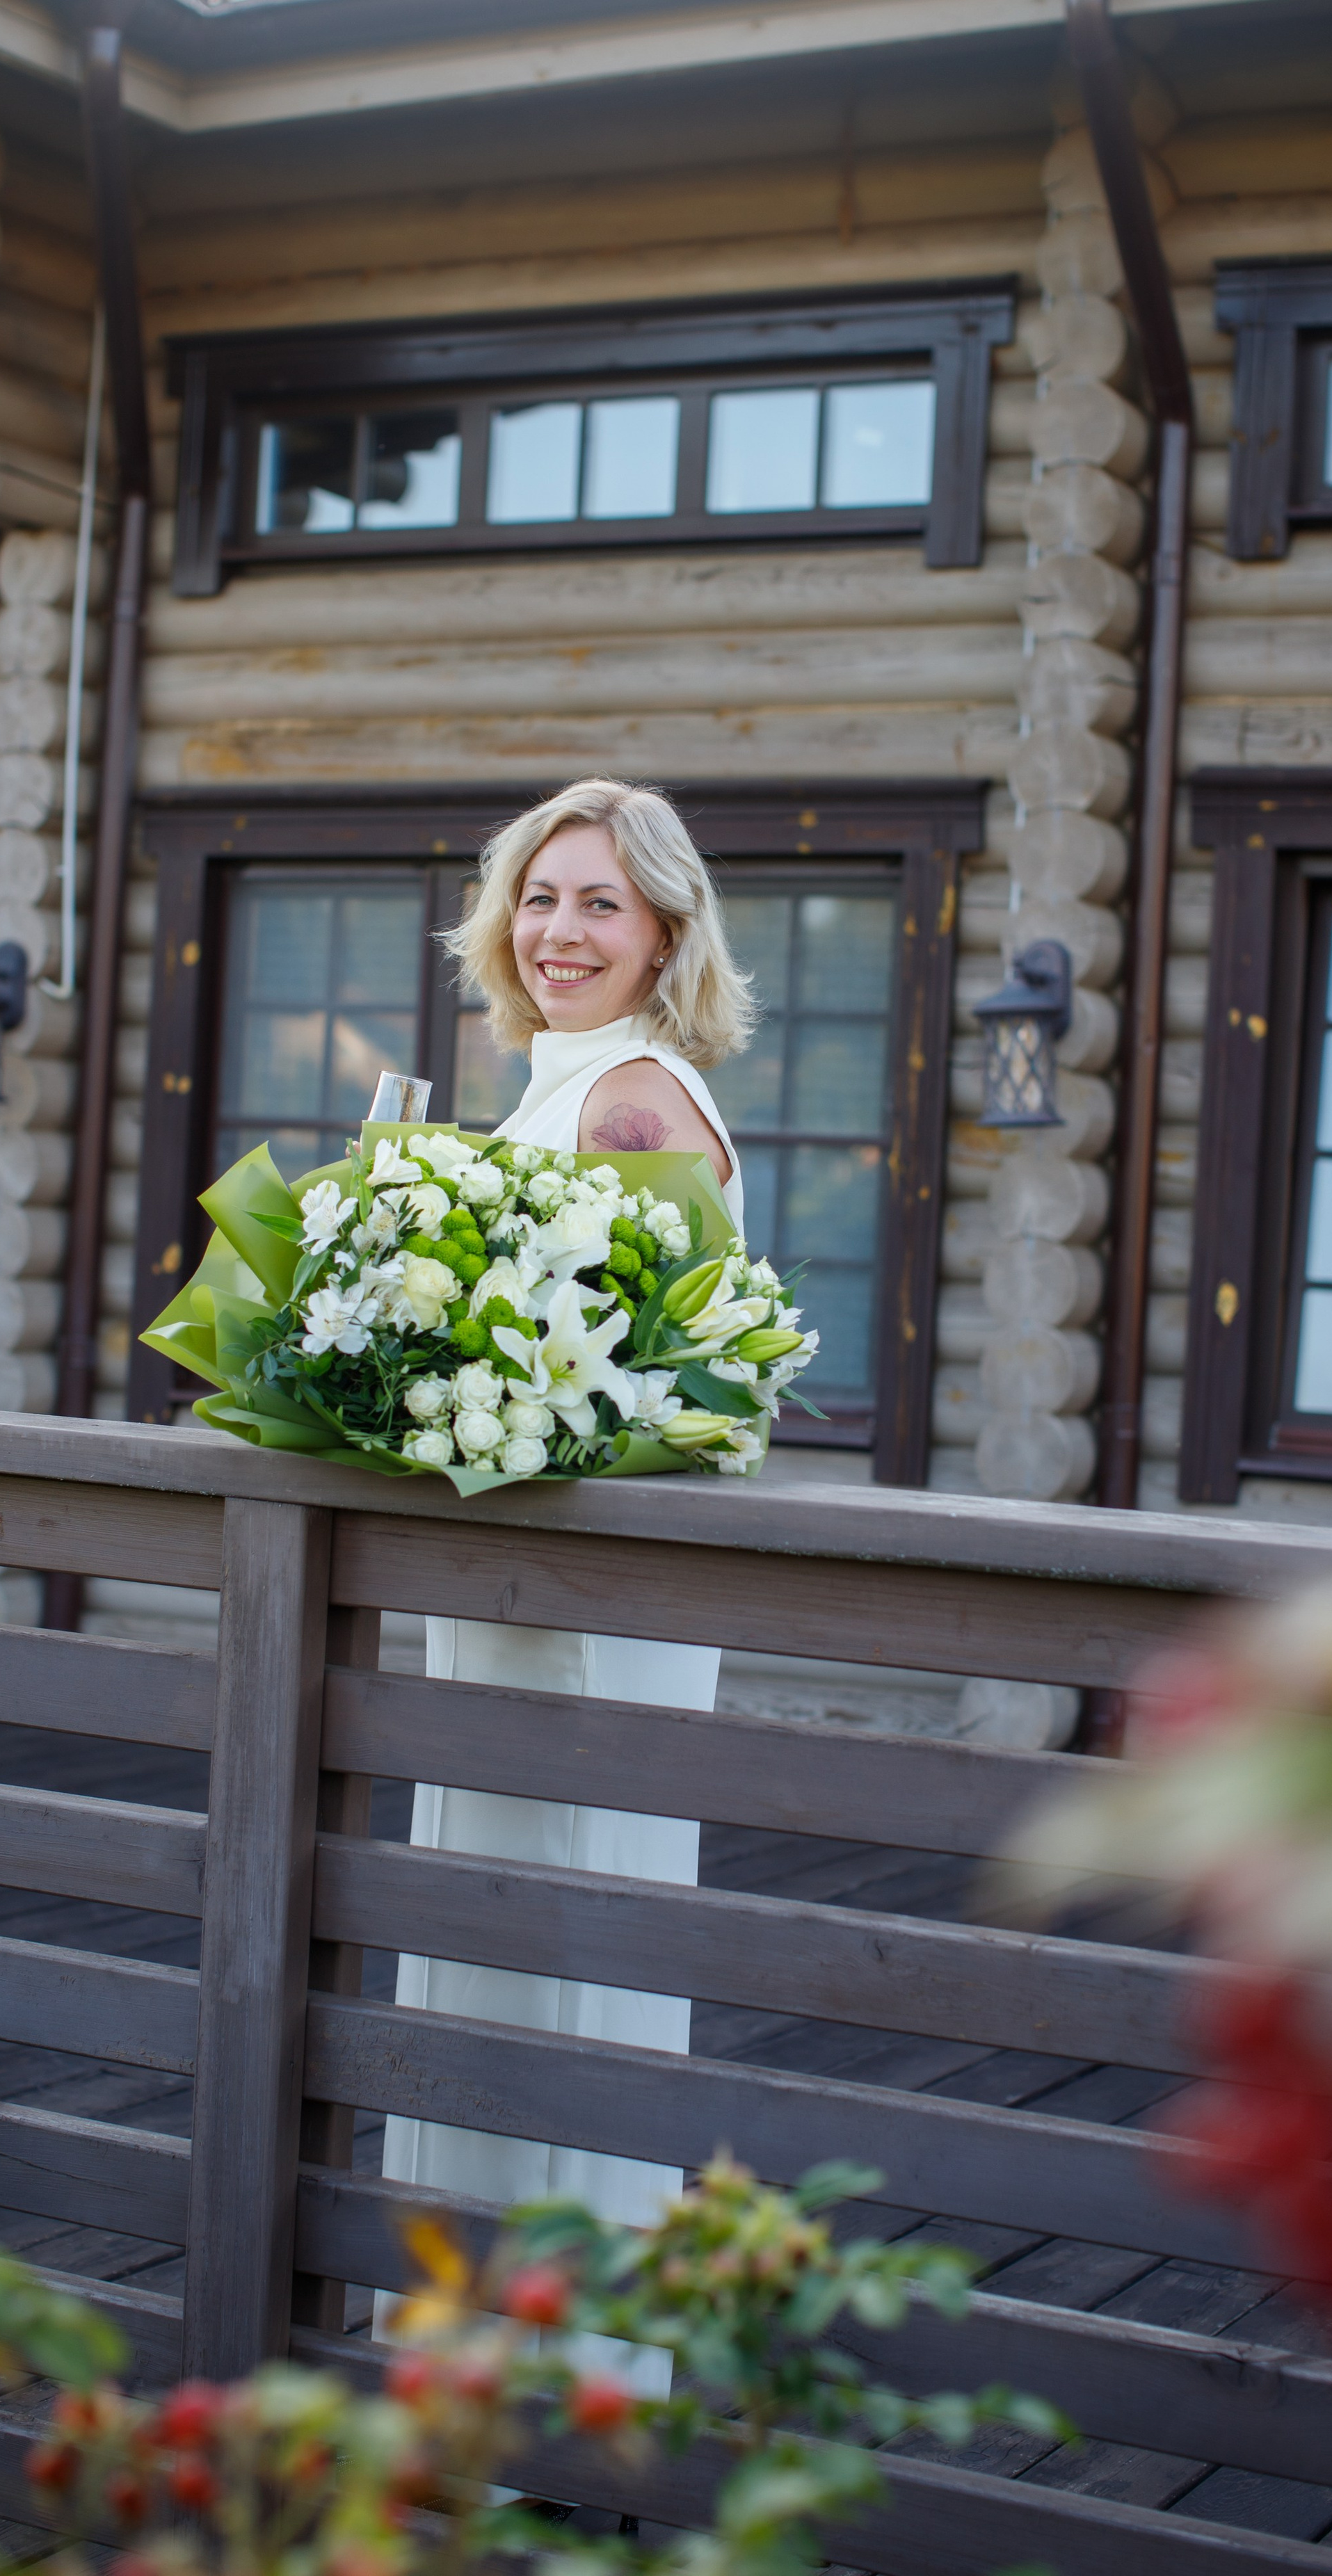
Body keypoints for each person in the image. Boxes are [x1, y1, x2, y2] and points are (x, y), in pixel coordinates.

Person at [378, 778, 755, 2373]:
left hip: (583, 1619)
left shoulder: (631, 1104)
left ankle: (566, 2377)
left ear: (663, 928)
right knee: (484, 1949)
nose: (559, 931)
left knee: (555, 1959)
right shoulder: (550, 1090)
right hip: (505, 1591)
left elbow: (661, 1384)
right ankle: (479, 2351)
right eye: (541, 897)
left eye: (599, 903)